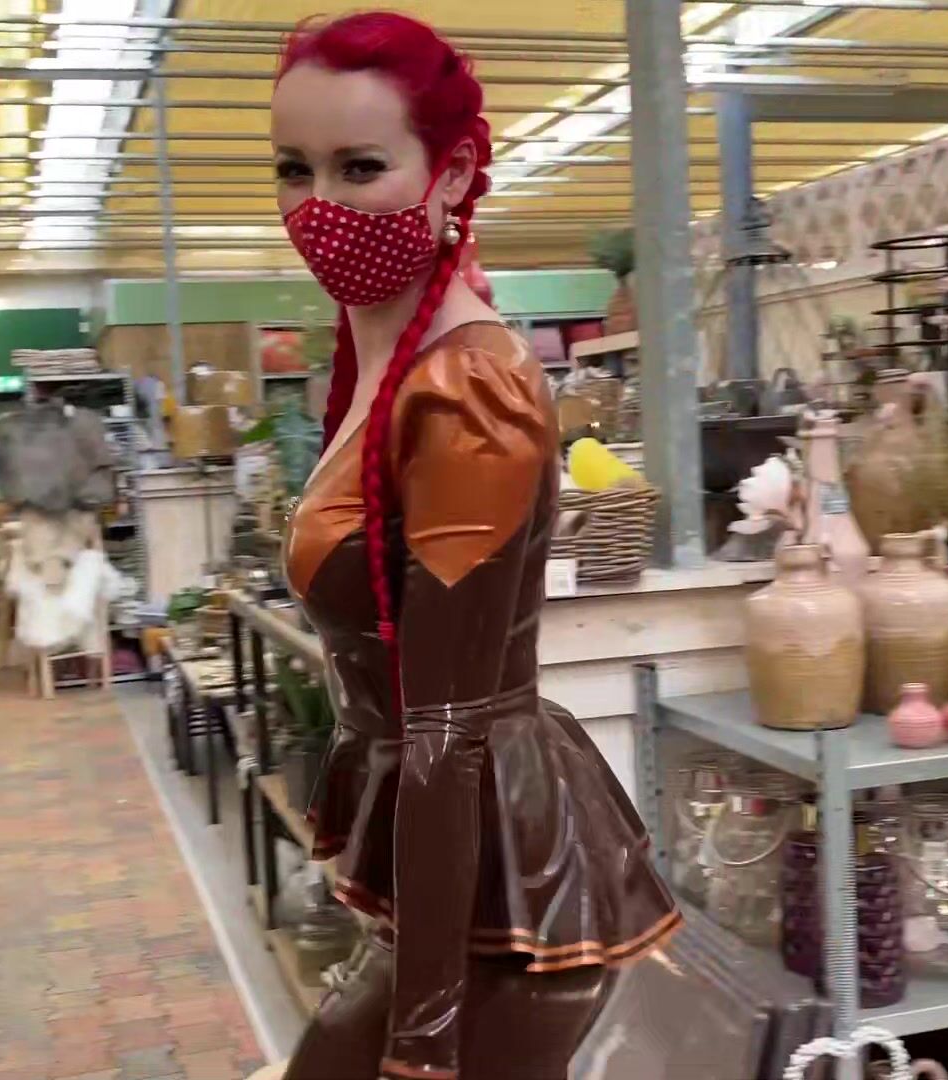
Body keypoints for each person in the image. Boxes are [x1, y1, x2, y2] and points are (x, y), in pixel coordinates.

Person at [269, 12, 680, 1080]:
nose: (319, 205)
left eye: (360, 166)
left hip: (494, 881)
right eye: (294, 168)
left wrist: (424, 1045)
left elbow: (444, 731)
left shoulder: (467, 394)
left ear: (450, 176)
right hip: (450, 866)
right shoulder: (385, 369)